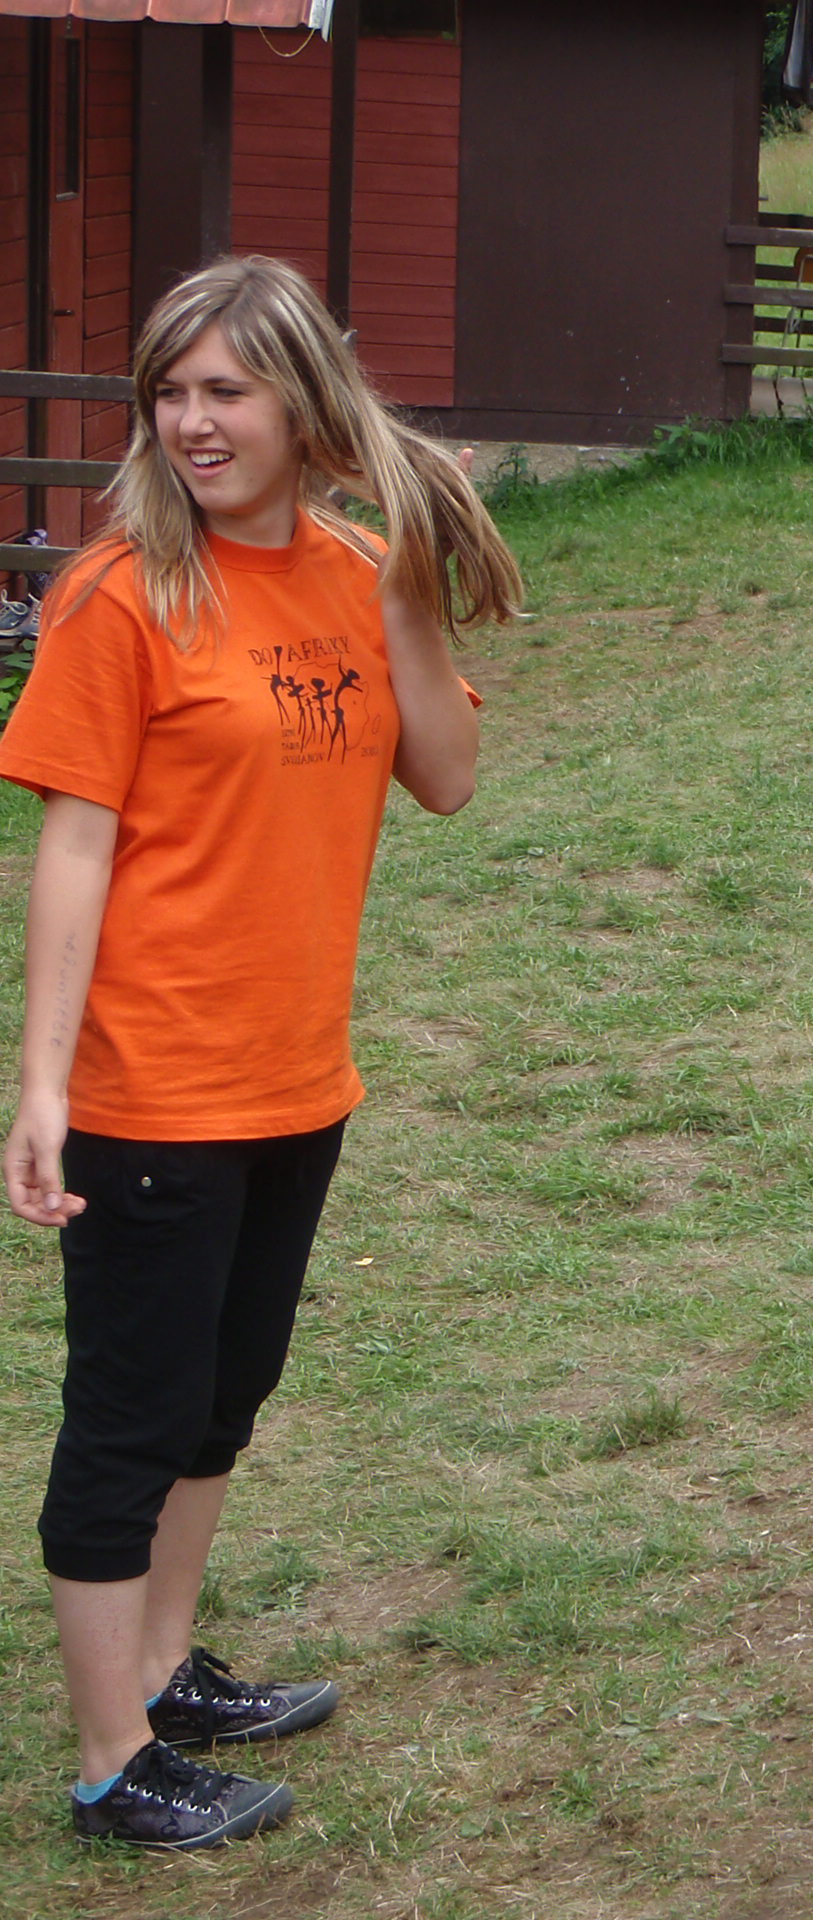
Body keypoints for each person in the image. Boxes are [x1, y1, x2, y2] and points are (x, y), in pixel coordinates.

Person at [0, 256, 521, 1848]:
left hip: (296, 1075)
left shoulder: (356, 573)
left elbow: (446, 775)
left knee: (225, 1395)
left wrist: (410, 596)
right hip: (155, 1083)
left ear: (303, 402)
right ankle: (112, 1763)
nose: (192, 421)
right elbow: (75, 845)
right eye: (169, 392)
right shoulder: (119, 594)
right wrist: (41, 1086)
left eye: (224, 389)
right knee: (132, 1415)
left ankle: (163, 1674)